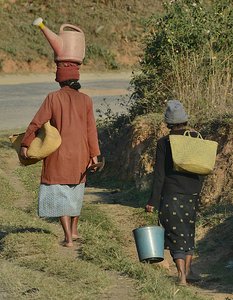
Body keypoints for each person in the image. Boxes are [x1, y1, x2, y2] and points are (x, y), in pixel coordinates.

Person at [20, 62, 100, 247]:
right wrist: (94, 154)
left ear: (59, 80)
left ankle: (68, 238)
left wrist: (26, 143)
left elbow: (36, 122)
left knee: (60, 194)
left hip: (59, 154)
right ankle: (74, 230)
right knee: (76, 192)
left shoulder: (53, 98)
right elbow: (91, 130)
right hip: (82, 152)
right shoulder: (86, 100)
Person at [145, 100, 204, 285]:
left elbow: (160, 175)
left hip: (172, 194)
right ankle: (189, 271)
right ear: (185, 119)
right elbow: (203, 167)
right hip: (192, 193)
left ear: (168, 122)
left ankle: (182, 277)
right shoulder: (197, 137)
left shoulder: (164, 142)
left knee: (174, 233)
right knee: (188, 231)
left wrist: (152, 201)